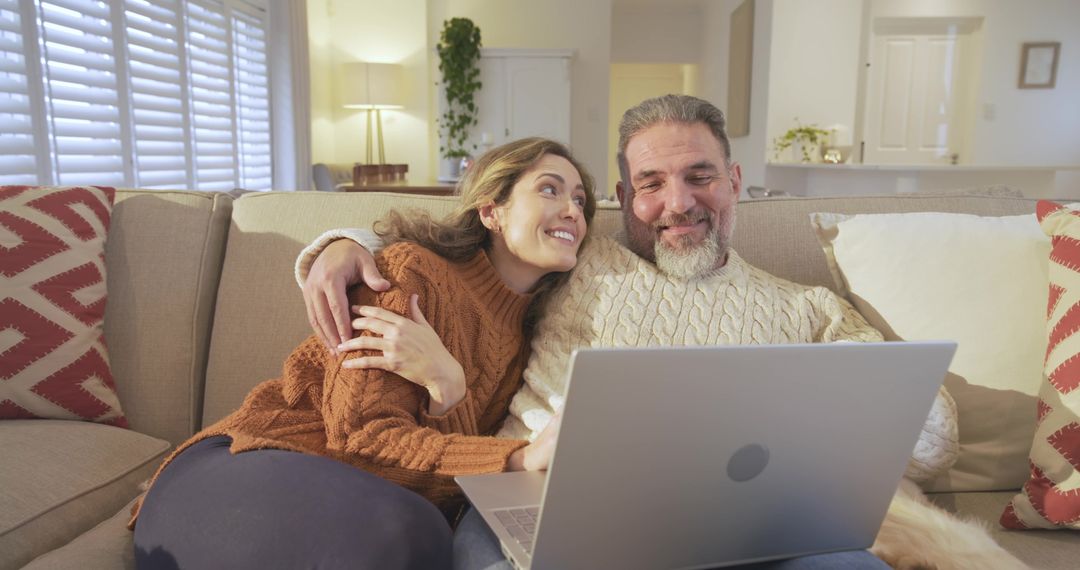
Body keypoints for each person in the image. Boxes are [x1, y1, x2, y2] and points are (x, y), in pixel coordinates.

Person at [298, 95, 960, 569]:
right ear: (624, 196)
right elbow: (469, 245)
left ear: (734, 182)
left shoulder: (808, 307)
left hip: (748, 520)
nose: (678, 202)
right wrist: (345, 245)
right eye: (651, 184)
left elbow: (932, 444)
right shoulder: (578, 257)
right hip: (544, 497)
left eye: (699, 176)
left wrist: (825, 401)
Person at [129, 138, 597, 570]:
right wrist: (518, 459)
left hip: (351, 511)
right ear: (491, 211)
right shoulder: (411, 273)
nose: (572, 211)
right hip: (239, 469)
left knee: (422, 537)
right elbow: (360, 441)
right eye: (550, 189)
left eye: (580, 200)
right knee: (409, 535)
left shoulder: (526, 340)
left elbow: (437, 484)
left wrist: (447, 387)